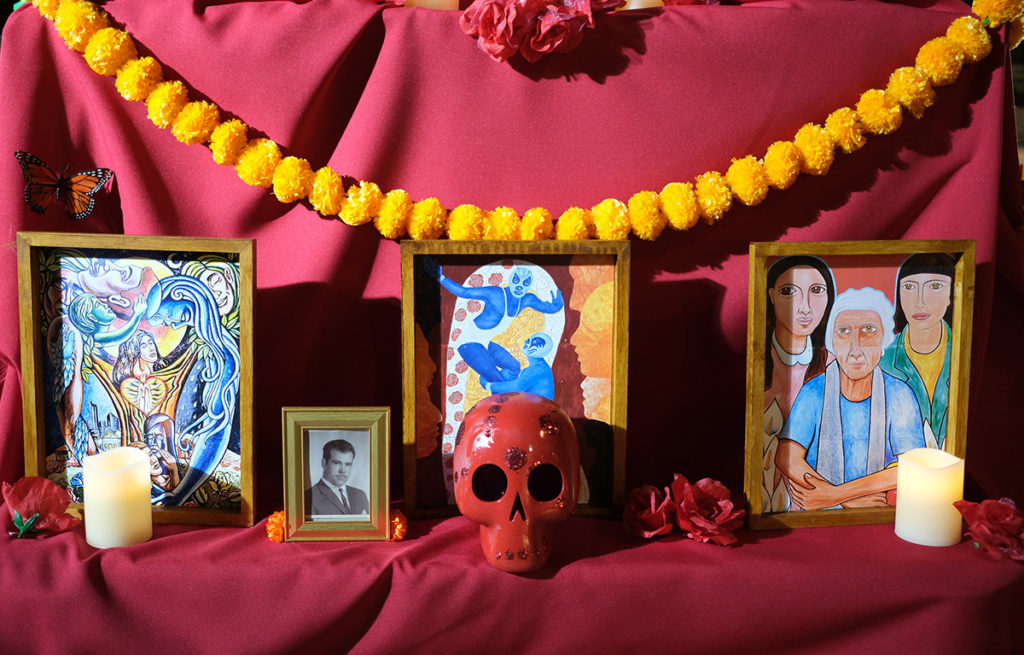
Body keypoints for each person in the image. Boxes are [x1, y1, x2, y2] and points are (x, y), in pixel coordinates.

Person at [776, 288, 926, 511]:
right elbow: (787, 455)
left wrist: (835, 495)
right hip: (821, 521)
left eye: (868, 330)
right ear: (832, 343)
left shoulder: (900, 394)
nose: (855, 348)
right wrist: (846, 501)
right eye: (843, 331)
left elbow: (913, 467)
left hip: (877, 517)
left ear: (884, 344)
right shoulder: (815, 391)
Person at [761, 256, 835, 512]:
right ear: (771, 295)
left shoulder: (835, 368)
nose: (804, 307)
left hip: (817, 505)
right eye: (788, 291)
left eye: (816, 291)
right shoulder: (754, 362)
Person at [880, 253, 956, 449]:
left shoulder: (963, 353)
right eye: (909, 287)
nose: (919, 301)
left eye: (935, 286)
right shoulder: (882, 359)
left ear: (951, 296)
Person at [306, 439, 369, 516]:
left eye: (348, 464)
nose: (343, 470)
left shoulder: (360, 495)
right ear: (324, 463)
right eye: (337, 463)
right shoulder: (309, 497)